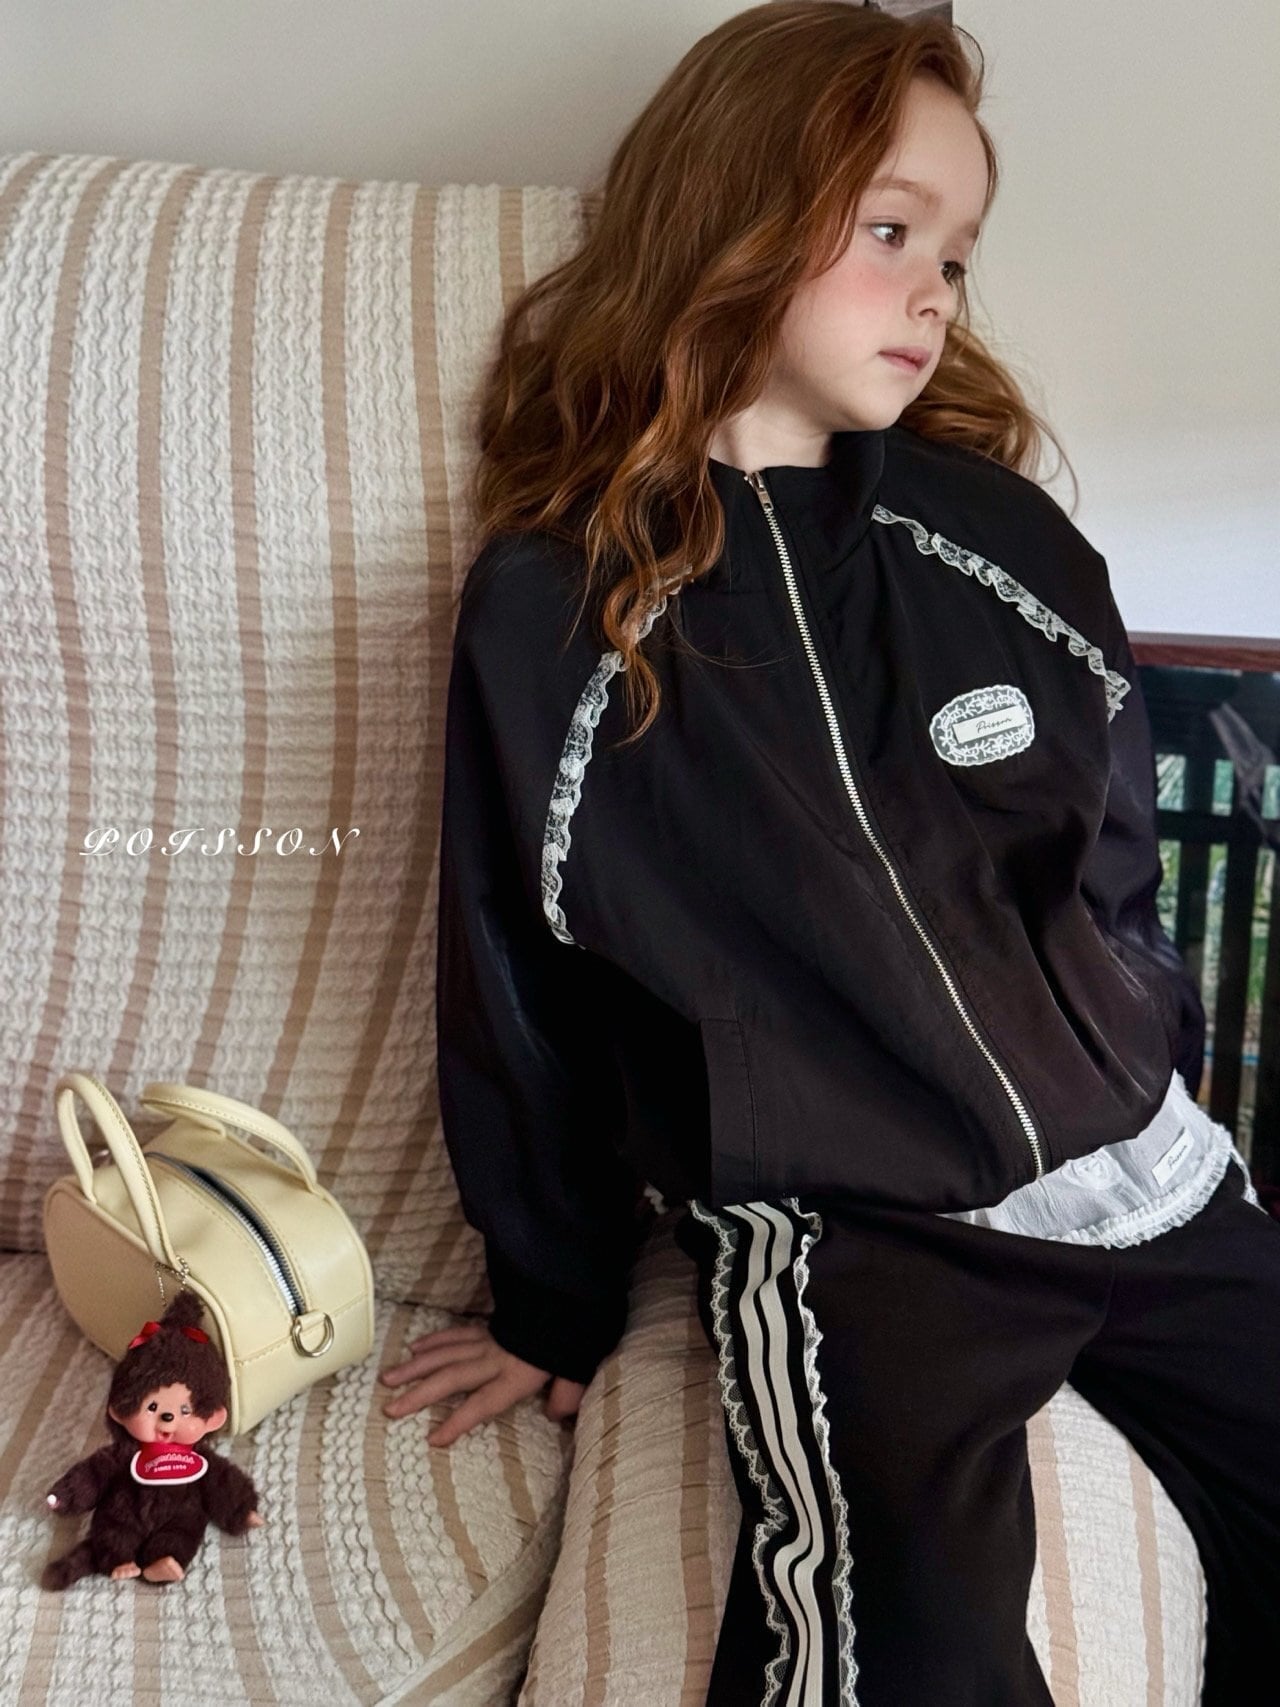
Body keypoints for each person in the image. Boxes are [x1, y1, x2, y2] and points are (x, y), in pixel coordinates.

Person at [376, 4, 1280, 1701]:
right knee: (904, 1645)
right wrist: (552, 1307)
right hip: (860, 1235)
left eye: (956, 252)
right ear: (735, 209)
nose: (935, 292)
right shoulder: (562, 610)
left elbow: (1115, 870)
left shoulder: (1001, 542)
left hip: (1141, 1180)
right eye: (889, 231)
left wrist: (1129, 1060)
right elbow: (519, 981)